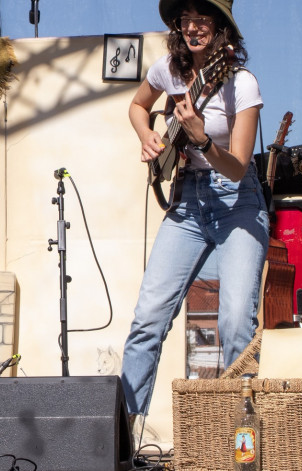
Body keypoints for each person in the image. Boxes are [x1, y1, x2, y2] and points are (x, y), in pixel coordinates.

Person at [121, 0, 267, 423]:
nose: (193, 26)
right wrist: (147, 134)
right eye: (186, 17)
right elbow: (137, 105)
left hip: (237, 201)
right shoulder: (168, 68)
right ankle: (123, 440)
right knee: (148, 319)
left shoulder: (242, 83)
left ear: (220, 27)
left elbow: (238, 167)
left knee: (237, 321)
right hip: (188, 201)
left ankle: (242, 444)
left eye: (203, 18)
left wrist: (202, 140)